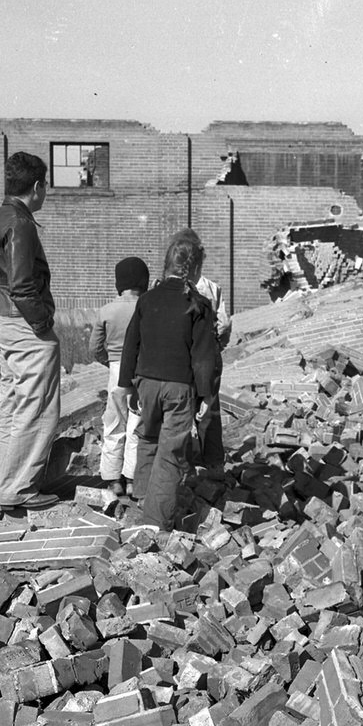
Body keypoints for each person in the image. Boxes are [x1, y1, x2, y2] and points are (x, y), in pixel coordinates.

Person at [0, 151, 61, 515]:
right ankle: (20, 488)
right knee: (36, 406)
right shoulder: (21, 224)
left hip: (0, 319)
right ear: (38, 186)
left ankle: (8, 482)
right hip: (23, 323)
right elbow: (25, 286)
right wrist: (42, 324)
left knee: (12, 404)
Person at [118, 234, 220, 532]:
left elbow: (131, 343)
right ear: (197, 270)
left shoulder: (147, 300)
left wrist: (126, 385)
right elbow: (203, 358)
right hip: (179, 388)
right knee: (171, 453)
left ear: (166, 265)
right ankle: (154, 524)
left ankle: (141, 499)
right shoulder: (198, 305)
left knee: (148, 438)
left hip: (146, 383)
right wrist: (204, 397)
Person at [168, 228, 232, 479]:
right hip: (208, 355)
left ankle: (183, 465)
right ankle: (214, 463)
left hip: (180, 356)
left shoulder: (165, 285)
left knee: (181, 408)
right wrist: (218, 344)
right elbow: (224, 323)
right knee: (209, 411)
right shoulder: (212, 287)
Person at [89, 256, 149, 496]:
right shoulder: (148, 308)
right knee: (137, 423)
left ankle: (113, 478)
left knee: (114, 422)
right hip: (142, 371)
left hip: (115, 369)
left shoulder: (106, 311)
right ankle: (132, 478)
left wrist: (109, 362)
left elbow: (94, 348)